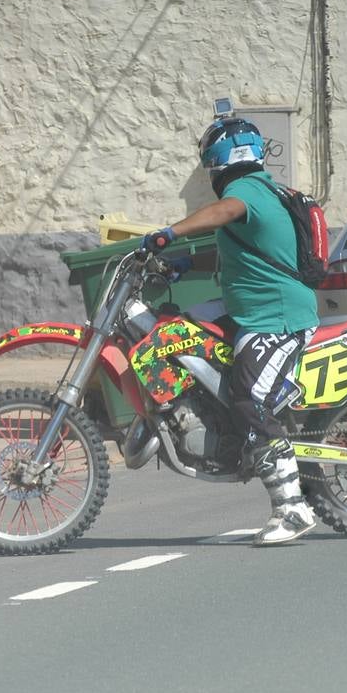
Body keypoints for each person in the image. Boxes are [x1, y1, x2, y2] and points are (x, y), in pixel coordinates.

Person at [139, 116, 319, 546]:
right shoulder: (259, 192)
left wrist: (170, 233)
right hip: (249, 311)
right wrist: (184, 264)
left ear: (218, 159)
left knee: (249, 399)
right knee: (180, 332)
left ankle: (292, 508)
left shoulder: (246, 192)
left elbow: (224, 211)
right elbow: (235, 258)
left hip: (276, 318)